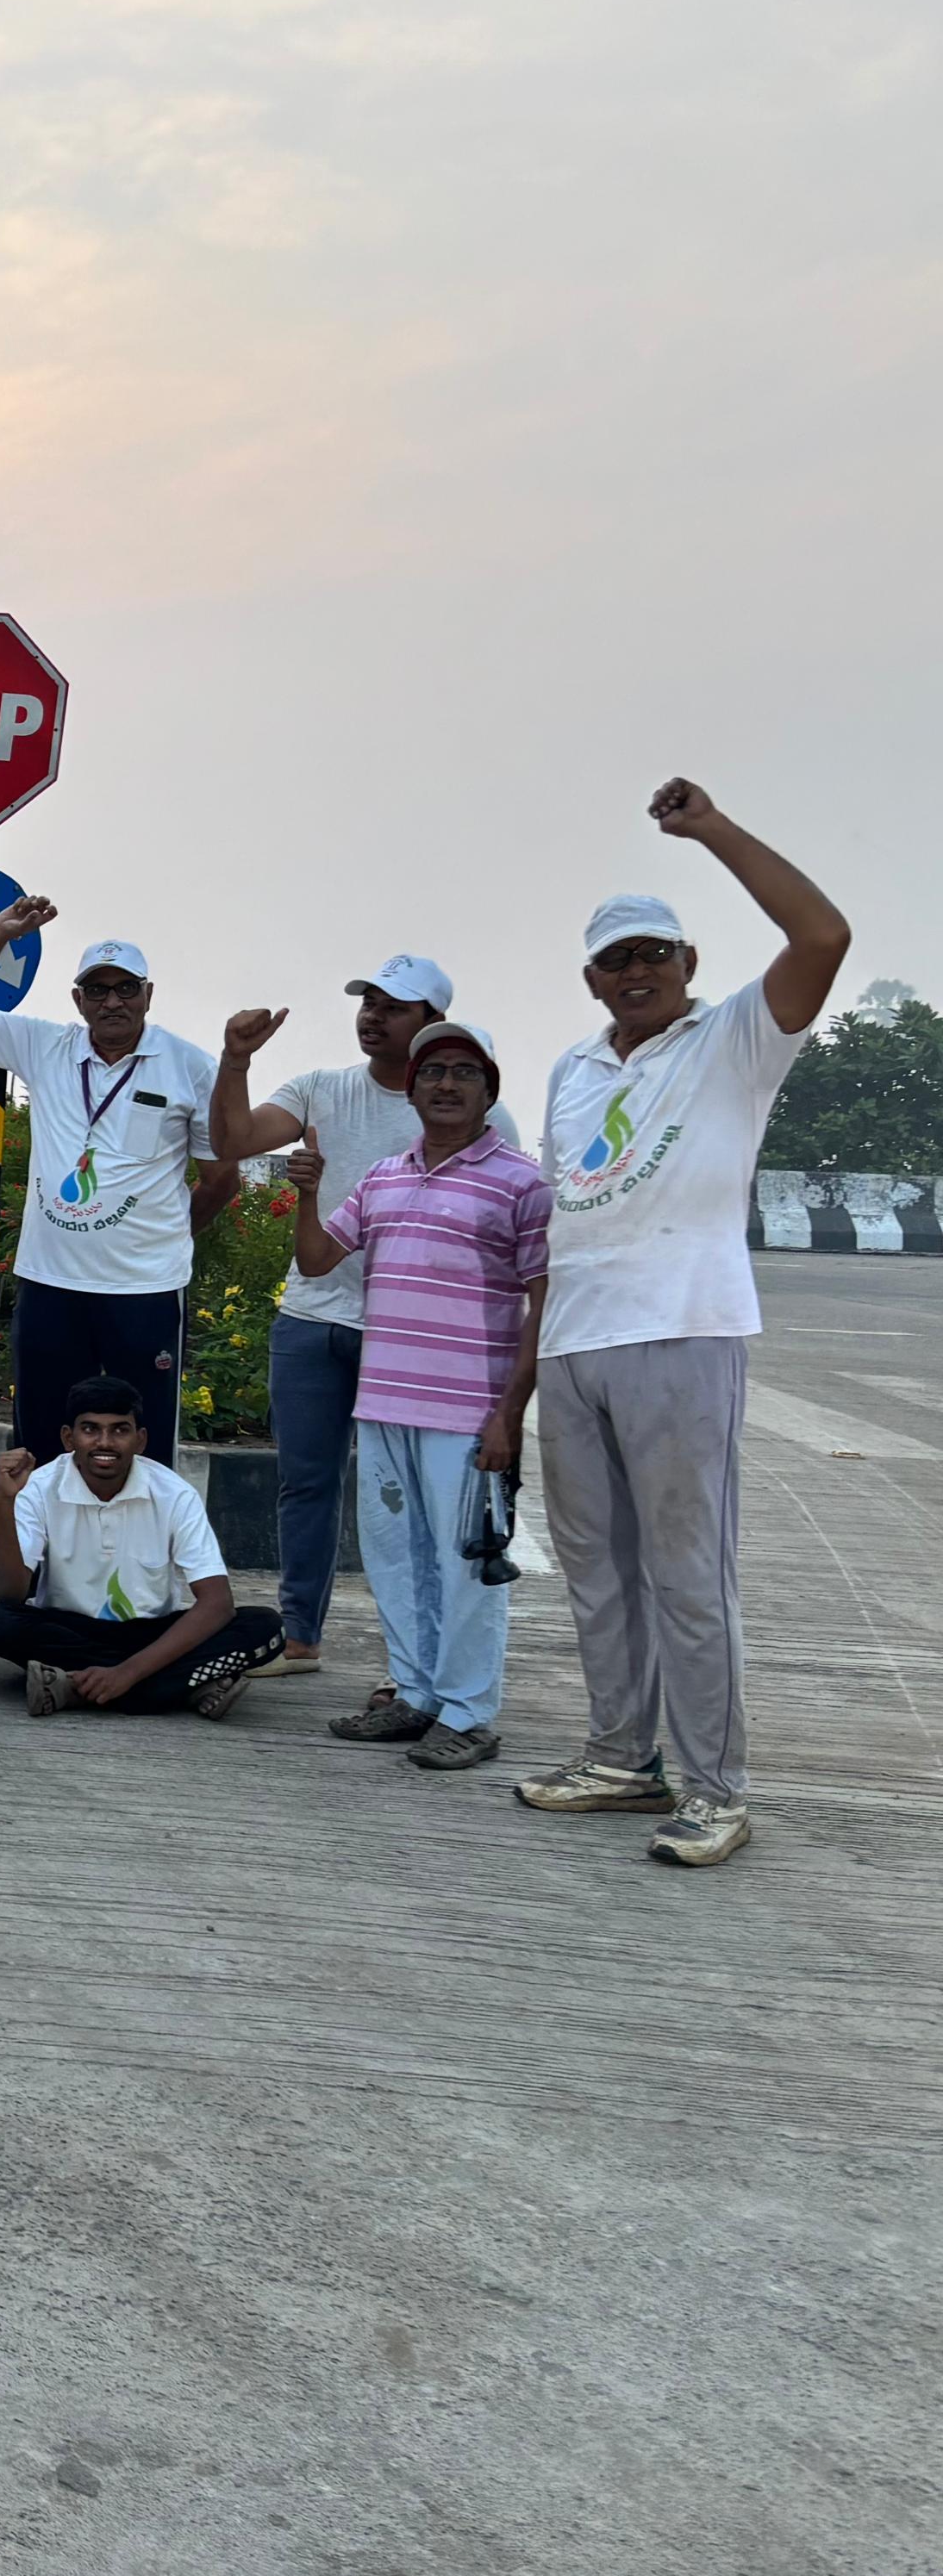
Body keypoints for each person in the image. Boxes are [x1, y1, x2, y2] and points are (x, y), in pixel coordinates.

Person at [512, 780, 849, 1868]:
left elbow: (822, 935)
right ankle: (620, 1757)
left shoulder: (734, 1038)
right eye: (614, 960)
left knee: (686, 1573)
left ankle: (714, 1790)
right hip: (575, 1340)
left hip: (679, 1330)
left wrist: (707, 832)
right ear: (590, 978)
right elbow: (567, 1208)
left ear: (686, 962)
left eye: (652, 953)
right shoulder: (571, 1068)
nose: (635, 971)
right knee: (596, 1571)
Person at [209, 955, 520, 1673]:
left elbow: (505, 1218)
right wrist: (235, 1061)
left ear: (434, 1023)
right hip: (314, 1318)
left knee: (417, 1500)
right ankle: (300, 1636)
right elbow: (232, 1141)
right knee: (306, 1485)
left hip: (414, 1339)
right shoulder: (320, 1088)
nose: (373, 1016)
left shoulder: (481, 1113)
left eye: (394, 1006)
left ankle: (421, 1666)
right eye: (368, 1001)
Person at [289, 1017, 550, 1773]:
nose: (446, 1084)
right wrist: (307, 1194)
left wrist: (509, 1415)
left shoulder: (523, 1183)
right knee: (396, 1559)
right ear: (411, 1090)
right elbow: (316, 1261)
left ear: (489, 1092)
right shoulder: (382, 1176)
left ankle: (468, 1713)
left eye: (465, 1072)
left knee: (467, 1565)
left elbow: (546, 1301)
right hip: (383, 1404)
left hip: (467, 1413)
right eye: (432, 1072)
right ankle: (415, 1693)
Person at [0, 903, 236, 1465]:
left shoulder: (191, 1067)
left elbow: (221, 1180)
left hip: (144, 1288)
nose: (112, 1002)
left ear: (149, 994)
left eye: (126, 988)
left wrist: (167, 1235)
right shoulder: (46, 1045)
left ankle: (138, 1531)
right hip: (50, 1283)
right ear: (78, 1000)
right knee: (41, 1441)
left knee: (143, 1448)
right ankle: (42, 1530)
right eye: (97, 990)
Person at [0, 1378, 282, 1717]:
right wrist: (4, 1501)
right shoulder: (39, 1487)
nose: (105, 1442)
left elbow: (217, 1604)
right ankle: (179, 1687)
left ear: (140, 1440)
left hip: (153, 1632)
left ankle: (74, 1688)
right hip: (70, 1630)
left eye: (120, 1430)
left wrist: (127, 1673)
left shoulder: (174, 1493)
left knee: (266, 1627)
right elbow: (10, 1593)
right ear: (69, 1438)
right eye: (90, 1429)